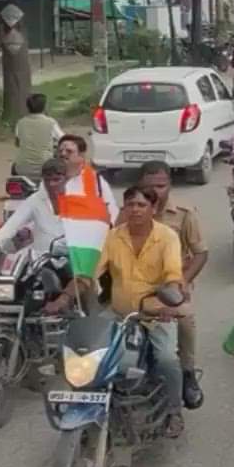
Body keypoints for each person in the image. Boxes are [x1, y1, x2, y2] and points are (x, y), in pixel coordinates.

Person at [46, 187, 189, 436]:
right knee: (89, 351)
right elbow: (89, 274)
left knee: (167, 358)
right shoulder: (112, 237)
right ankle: (89, 401)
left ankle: (174, 412)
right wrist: (65, 297)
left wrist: (169, 304)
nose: (135, 209)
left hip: (154, 314)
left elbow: (173, 275)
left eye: (142, 205)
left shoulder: (167, 237)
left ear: (153, 209)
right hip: (119, 313)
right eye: (130, 204)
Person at [133, 162, 209, 409]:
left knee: (185, 319)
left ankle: (187, 374)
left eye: (161, 185)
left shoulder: (184, 214)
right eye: (148, 186)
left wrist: (183, 282)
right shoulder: (131, 211)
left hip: (171, 287)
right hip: (134, 286)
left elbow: (200, 253)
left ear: (170, 186)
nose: (155, 191)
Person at [0, 159, 67, 254]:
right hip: (41, 259)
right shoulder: (35, 200)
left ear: (66, 179)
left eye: (56, 180)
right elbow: (13, 224)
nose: (51, 184)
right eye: (47, 180)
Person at [58, 134, 119, 219]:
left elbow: (112, 211)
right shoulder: (50, 180)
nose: (63, 154)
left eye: (69, 151)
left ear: (82, 155)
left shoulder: (97, 181)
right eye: (60, 151)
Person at [12, 93, 63, 179]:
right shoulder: (50, 122)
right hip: (45, 168)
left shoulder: (20, 122)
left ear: (28, 107)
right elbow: (63, 139)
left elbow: (17, 143)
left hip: (22, 169)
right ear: (45, 107)